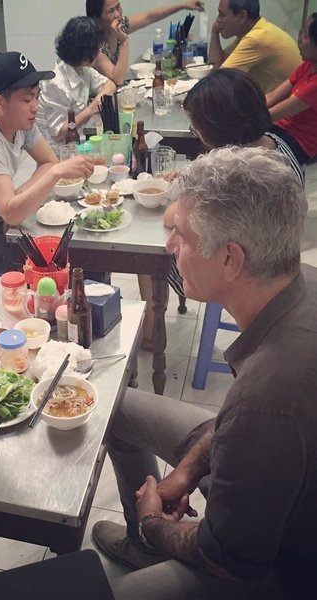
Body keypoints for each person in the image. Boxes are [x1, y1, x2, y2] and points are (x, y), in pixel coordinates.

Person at [92, 146, 315, 599]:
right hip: (269, 461)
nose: (169, 245)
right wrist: (188, 470)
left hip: (284, 563)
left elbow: (228, 558)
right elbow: (247, 425)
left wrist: (153, 522)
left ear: (230, 258)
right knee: (117, 406)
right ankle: (144, 549)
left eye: (180, 234)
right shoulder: (302, 279)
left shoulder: (268, 395)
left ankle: (147, 542)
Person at [0, 51, 94, 272]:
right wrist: (55, 174)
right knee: (69, 262)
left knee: (84, 248)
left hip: (0, 219)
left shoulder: (21, 122)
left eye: (37, 96)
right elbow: (13, 213)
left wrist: (19, 194)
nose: (35, 106)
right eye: (26, 99)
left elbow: (48, 162)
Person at [163, 68, 303, 298]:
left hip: (248, 271)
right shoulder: (274, 141)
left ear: (218, 130)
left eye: (197, 129)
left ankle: (152, 314)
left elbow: (172, 216)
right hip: (278, 257)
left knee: (163, 251)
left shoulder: (238, 173)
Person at [36, 17, 116, 153]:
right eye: (96, 48)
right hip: (58, 153)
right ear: (84, 52)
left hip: (79, 143)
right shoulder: (56, 83)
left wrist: (98, 100)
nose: (99, 52)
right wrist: (90, 110)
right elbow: (59, 132)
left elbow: (110, 84)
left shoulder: (83, 70)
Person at [86, 0, 205, 85]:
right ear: (97, 17)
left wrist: (182, 5)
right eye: (111, 11)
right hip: (99, 102)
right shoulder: (94, 44)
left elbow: (149, 17)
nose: (117, 14)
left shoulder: (121, 25)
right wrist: (124, 41)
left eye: (118, 7)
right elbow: (117, 79)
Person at [208, 0, 301, 93]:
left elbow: (219, 81)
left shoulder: (256, 38)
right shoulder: (255, 31)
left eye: (222, 15)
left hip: (284, 100)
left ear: (242, 16)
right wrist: (214, 33)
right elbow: (216, 66)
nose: (218, 20)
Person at [267, 13, 317, 166]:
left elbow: (272, 114)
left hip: (299, 143)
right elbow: (271, 97)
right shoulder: (308, 66)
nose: (299, 39)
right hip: (279, 128)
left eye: (306, 35)